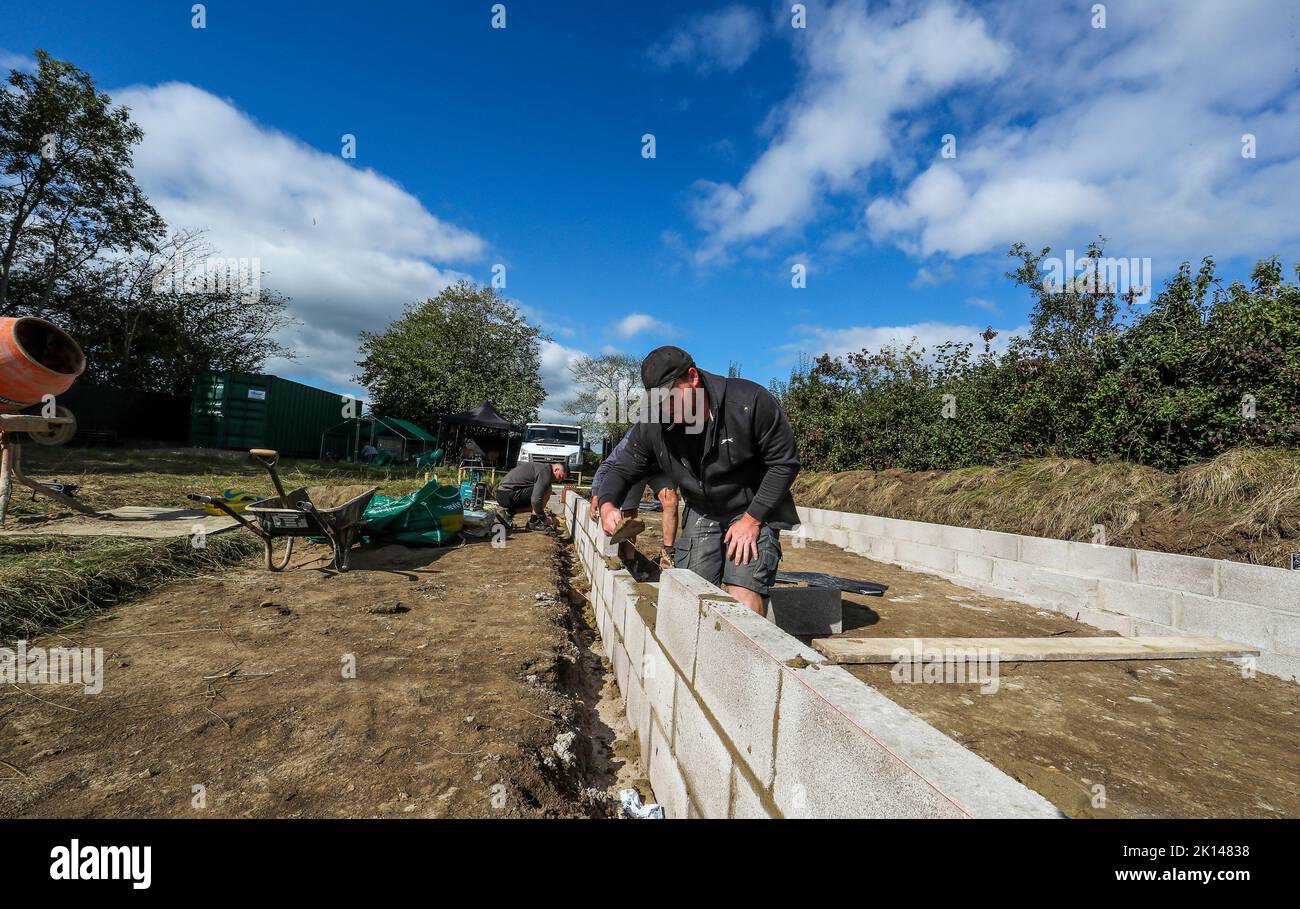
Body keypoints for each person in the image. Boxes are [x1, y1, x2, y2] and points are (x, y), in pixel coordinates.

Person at [595, 346, 800, 615]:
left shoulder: (749, 402)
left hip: (751, 507)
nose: (664, 408)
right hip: (703, 509)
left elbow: (784, 463)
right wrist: (608, 504)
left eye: (669, 398)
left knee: (742, 595)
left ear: (692, 378)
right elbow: (622, 468)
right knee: (691, 593)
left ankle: (742, 654)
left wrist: (752, 520)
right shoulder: (653, 422)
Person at [589, 431, 679, 568]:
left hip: (659, 471)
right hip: (636, 468)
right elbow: (608, 465)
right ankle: (629, 558)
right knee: (629, 510)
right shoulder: (636, 435)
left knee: (671, 500)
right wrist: (597, 495)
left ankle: (668, 553)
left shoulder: (676, 435)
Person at [495, 460, 568, 527]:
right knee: (546, 490)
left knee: (537, 504)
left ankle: (509, 513)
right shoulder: (546, 472)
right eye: (560, 477)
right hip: (507, 494)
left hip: (503, 494)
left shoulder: (543, 468)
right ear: (556, 470)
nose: (559, 481)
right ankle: (534, 522)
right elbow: (535, 500)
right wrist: (544, 518)